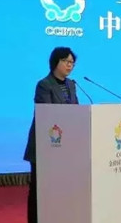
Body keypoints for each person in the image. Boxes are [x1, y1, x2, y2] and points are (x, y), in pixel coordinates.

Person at [24, 47, 79, 223]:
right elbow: (46, 114)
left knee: (61, 188)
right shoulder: (44, 85)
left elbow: (77, 111)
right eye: (66, 61)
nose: (70, 66)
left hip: (65, 147)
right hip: (44, 145)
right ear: (55, 62)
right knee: (39, 188)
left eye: (72, 63)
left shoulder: (72, 85)